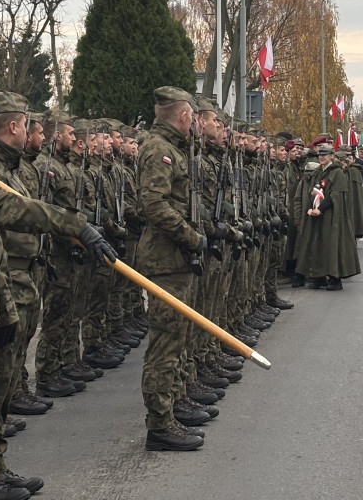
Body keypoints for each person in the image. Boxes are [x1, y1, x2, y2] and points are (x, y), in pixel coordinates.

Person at [136, 87, 207, 452]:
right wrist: (190, 236)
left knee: (177, 340)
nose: (196, 124)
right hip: (164, 259)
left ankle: (175, 405)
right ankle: (160, 424)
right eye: (194, 117)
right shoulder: (159, 150)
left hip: (174, 259)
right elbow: (153, 205)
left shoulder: (174, 149)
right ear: (183, 116)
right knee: (165, 344)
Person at [295, 143, 360, 290]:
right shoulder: (318, 171)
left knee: (331, 245)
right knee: (317, 244)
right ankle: (319, 276)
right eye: (320, 155)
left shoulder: (337, 172)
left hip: (332, 215)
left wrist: (321, 209)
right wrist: (311, 208)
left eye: (325, 155)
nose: (322, 157)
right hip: (317, 214)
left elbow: (336, 194)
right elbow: (313, 191)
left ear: (331, 156)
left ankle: (334, 278)